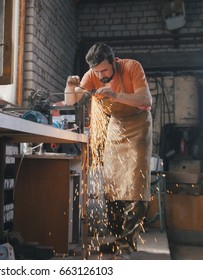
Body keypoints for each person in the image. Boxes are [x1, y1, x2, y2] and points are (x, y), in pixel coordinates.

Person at [64, 42, 152, 257]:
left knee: (135, 184)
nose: (100, 75)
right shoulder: (91, 75)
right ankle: (116, 239)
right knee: (112, 184)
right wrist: (69, 86)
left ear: (114, 62)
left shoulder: (132, 67)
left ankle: (128, 243)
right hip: (116, 126)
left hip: (138, 124)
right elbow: (70, 101)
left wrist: (116, 95)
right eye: (96, 71)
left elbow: (145, 99)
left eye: (104, 70)